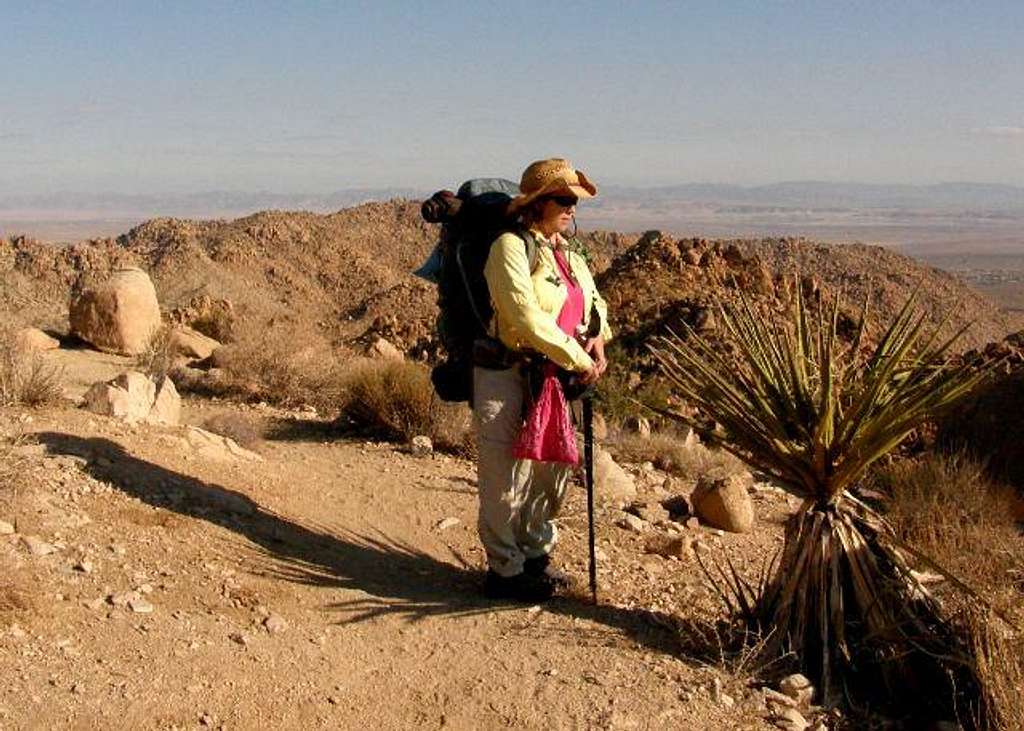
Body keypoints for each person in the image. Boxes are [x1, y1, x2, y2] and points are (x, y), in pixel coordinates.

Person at [474, 158, 612, 601]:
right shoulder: (509, 248)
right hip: (507, 371)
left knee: (552, 467)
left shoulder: (569, 255)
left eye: (575, 200)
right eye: (564, 199)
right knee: (505, 472)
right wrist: (577, 358)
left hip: (555, 376)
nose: (572, 207)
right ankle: (505, 571)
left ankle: (536, 555)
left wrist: (599, 343)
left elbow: (594, 303)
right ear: (537, 203)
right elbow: (524, 316)